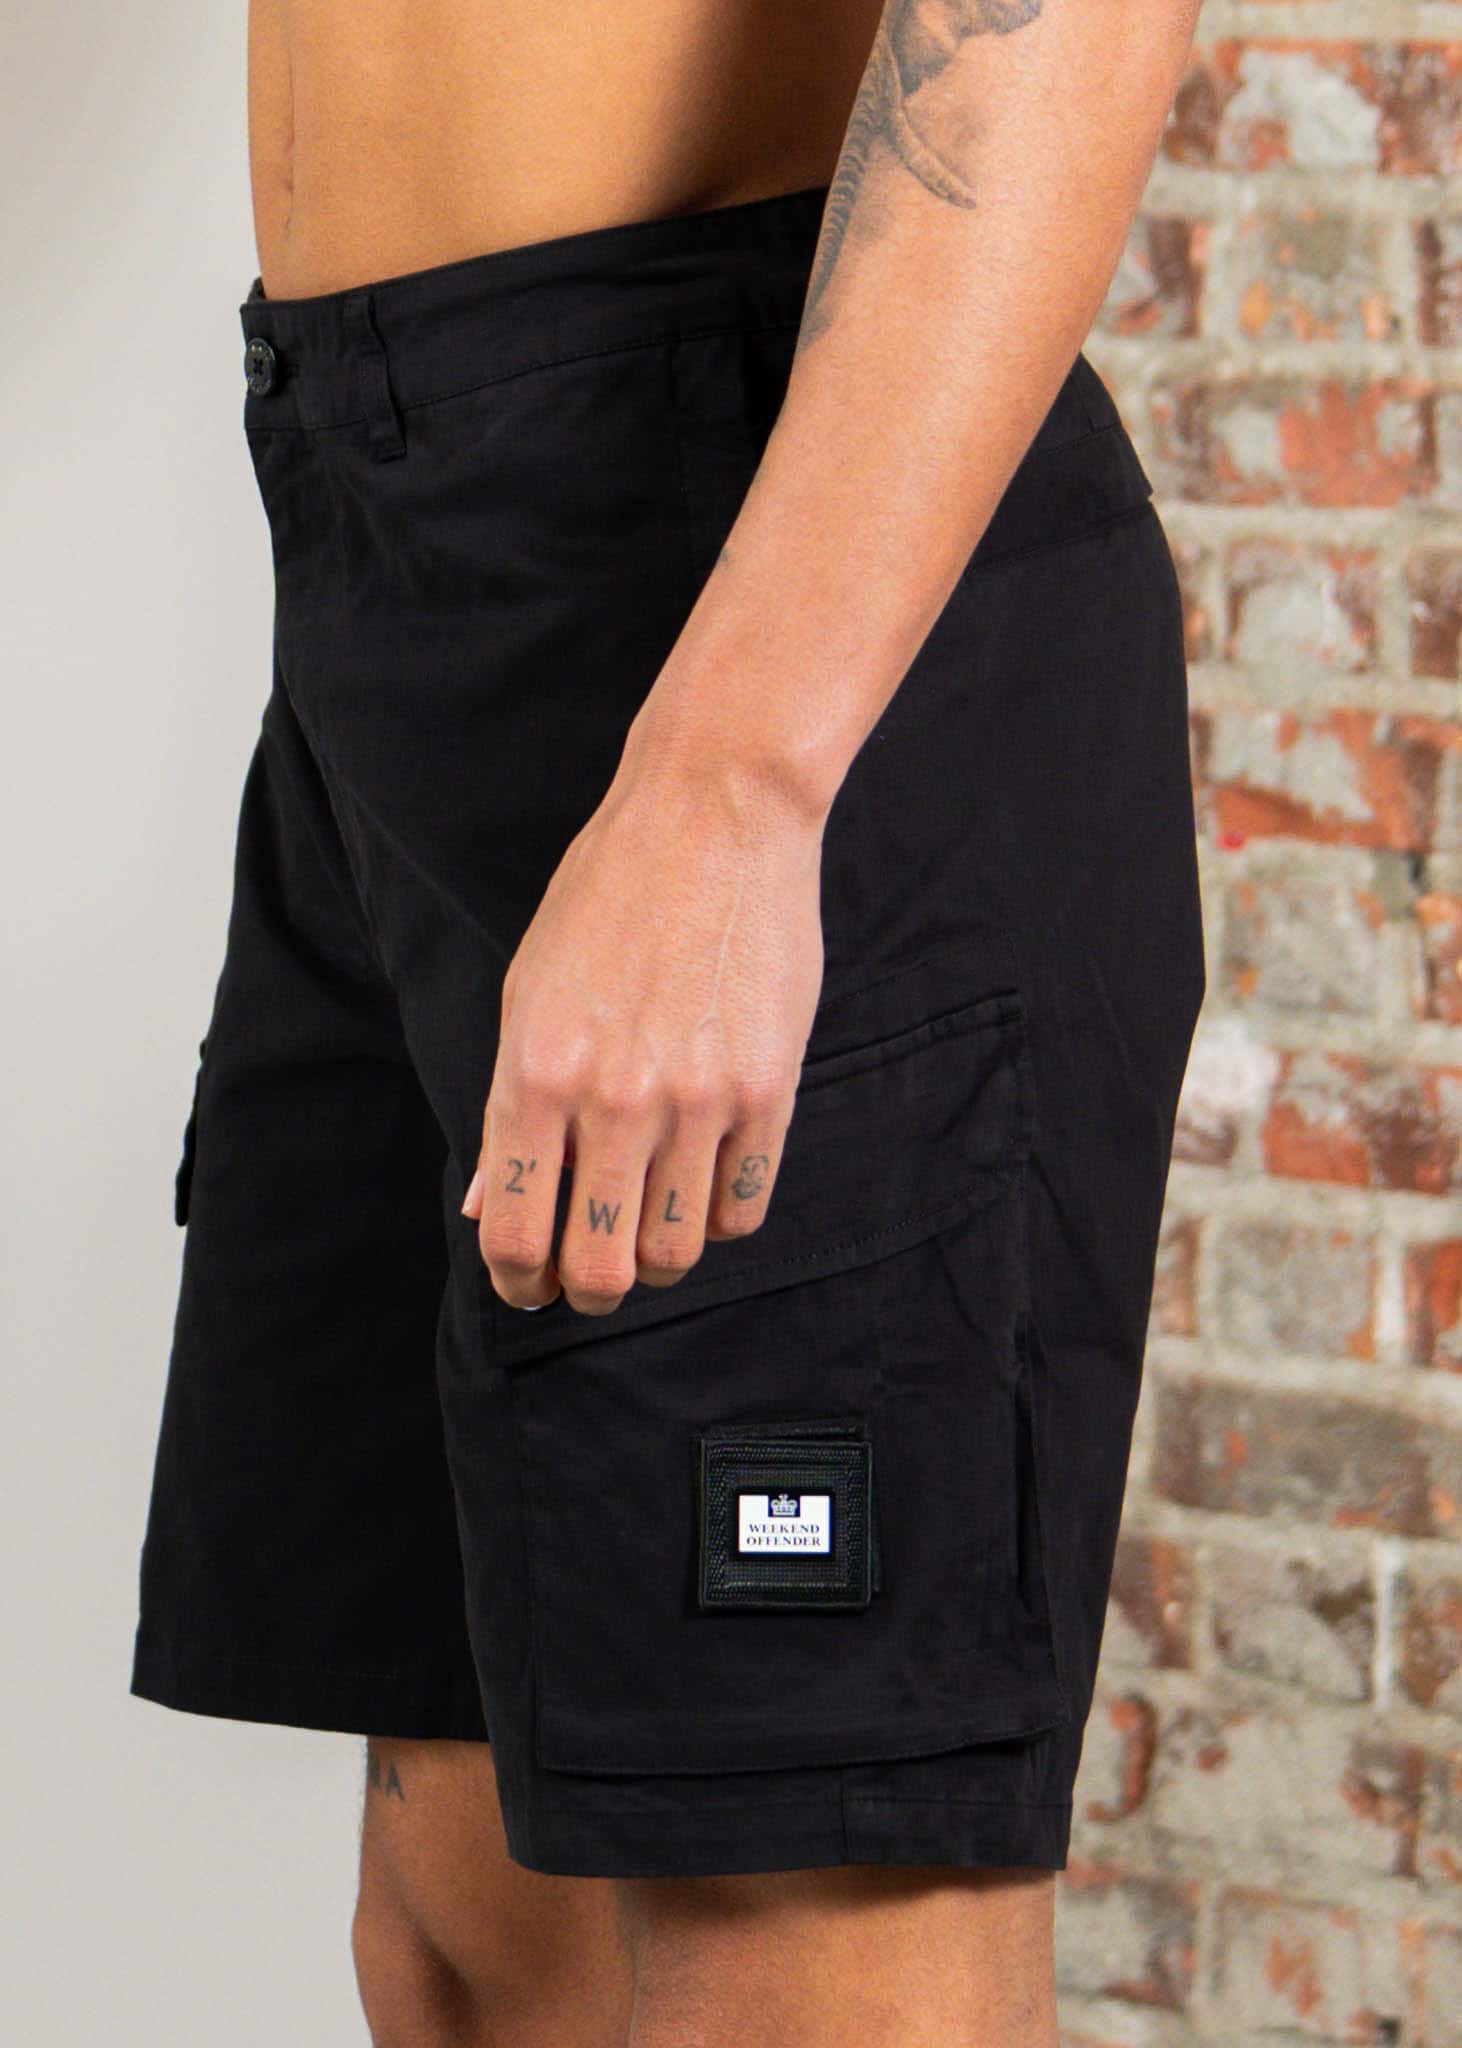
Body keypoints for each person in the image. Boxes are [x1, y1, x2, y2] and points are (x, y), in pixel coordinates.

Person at [129, 1, 1208, 2041]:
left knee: (794, 1943)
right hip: (383, 553)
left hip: (748, 562)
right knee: (467, 1937)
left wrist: (736, 787)